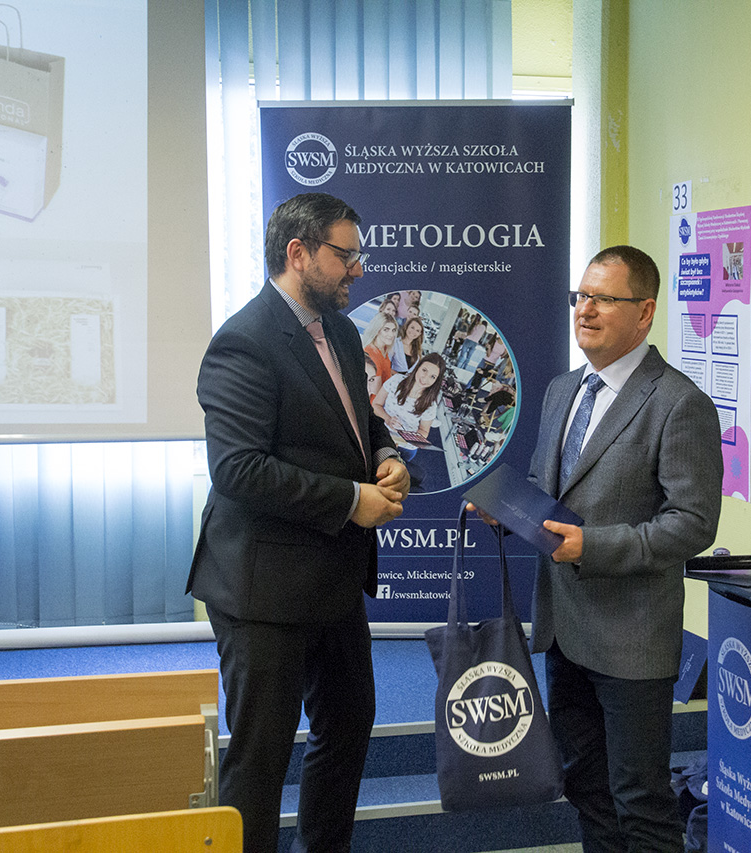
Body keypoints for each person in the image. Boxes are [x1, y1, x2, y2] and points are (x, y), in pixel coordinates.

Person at [474, 245, 722, 852]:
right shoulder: (563, 389)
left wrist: (593, 546)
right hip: (565, 630)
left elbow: (693, 524)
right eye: (580, 296)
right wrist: (508, 513)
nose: (584, 310)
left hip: (632, 641)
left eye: (603, 299)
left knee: (640, 802)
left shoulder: (679, 402)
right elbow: (547, 491)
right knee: (586, 788)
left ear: (645, 313)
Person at [187, 192, 410, 853]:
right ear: (298, 253)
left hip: (332, 579)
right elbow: (239, 469)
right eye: (346, 255)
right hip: (262, 589)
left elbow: (357, 420)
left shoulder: (339, 331)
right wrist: (351, 500)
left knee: (348, 730)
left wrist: (387, 454)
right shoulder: (243, 342)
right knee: (260, 761)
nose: (358, 269)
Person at [373, 353, 446, 441]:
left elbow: (424, 431)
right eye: (424, 370)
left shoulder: (431, 404)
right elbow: (376, 405)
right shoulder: (396, 380)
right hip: (381, 432)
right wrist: (388, 419)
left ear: (436, 381)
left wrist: (408, 437)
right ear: (418, 367)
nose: (425, 378)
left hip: (405, 443)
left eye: (432, 376)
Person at [362, 314, 399, 387]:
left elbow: (385, 370)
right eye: (386, 330)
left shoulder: (383, 349)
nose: (391, 334)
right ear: (377, 330)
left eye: (393, 330)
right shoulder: (371, 354)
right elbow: (375, 389)